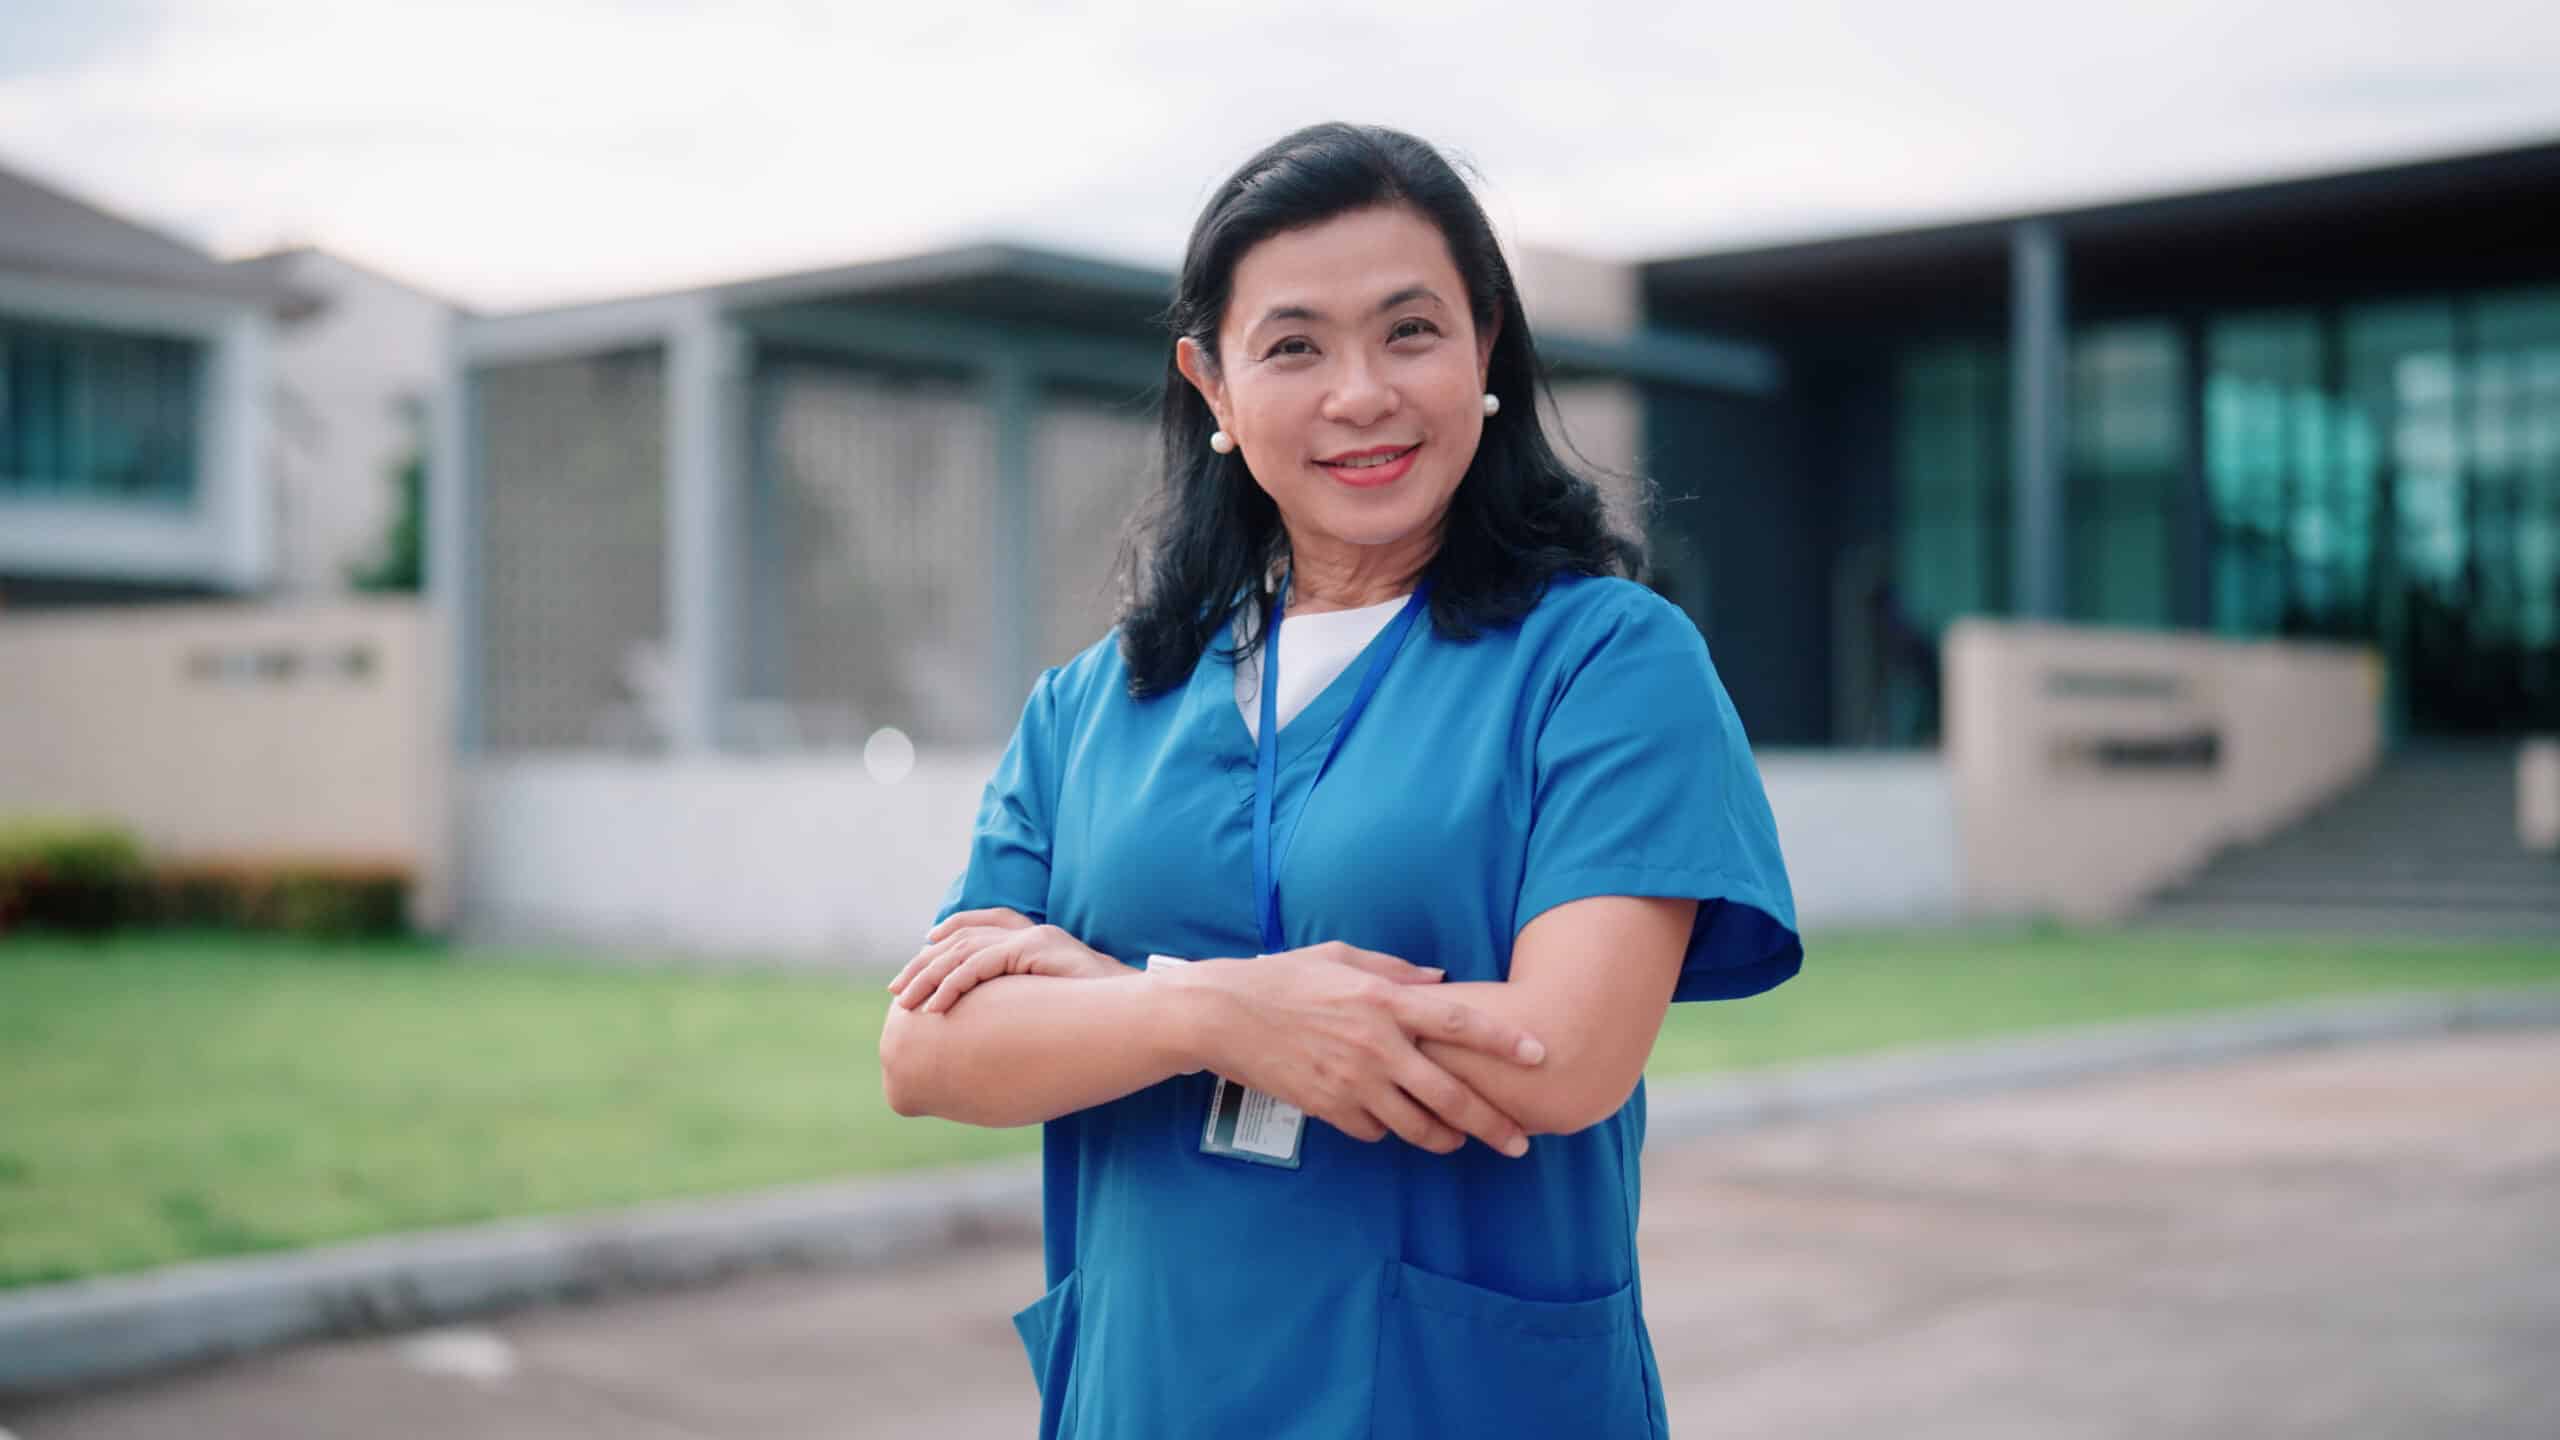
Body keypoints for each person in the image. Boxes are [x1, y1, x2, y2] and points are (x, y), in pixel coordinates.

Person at [879, 122, 1802, 1440]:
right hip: (1151, 1392)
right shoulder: (1092, 705)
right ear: (1211, 383)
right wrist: (1206, 1012)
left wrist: (1105, 1000)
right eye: (1295, 346)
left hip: (1456, 1400)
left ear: (1484, 345)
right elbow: (928, 1051)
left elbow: (1559, 1053)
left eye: (1409, 332)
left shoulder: (1605, 661)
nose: (1360, 395)